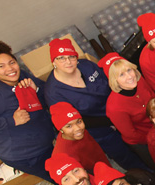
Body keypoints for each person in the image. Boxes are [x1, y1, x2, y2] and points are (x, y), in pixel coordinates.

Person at [43, 39, 144, 171]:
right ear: (53, 62)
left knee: (141, 141)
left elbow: (111, 81)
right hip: (98, 127)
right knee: (125, 155)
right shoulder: (53, 92)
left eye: (71, 57)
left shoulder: (87, 66)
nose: (68, 62)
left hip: (120, 110)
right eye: (61, 58)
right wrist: (111, 121)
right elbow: (73, 121)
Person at [0, 41, 56, 182]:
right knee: (61, 178)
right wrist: (11, 120)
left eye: (11, 62)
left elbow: (46, 96)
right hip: (26, 154)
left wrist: (36, 90)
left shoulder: (22, 75)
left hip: (44, 138)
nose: (10, 69)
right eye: (1, 66)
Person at [49, 102, 111, 173]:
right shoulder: (62, 154)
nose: (77, 128)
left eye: (79, 122)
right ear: (60, 130)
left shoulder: (80, 132)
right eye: (69, 126)